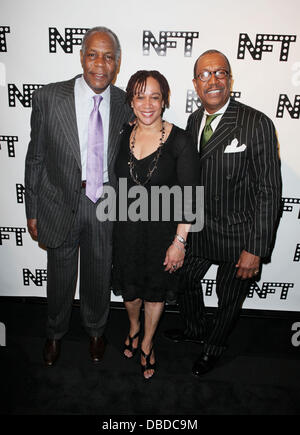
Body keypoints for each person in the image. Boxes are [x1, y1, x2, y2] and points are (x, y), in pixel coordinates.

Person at [164, 49, 282, 376]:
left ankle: (213, 347)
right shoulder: (191, 120)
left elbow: (269, 191)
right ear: (195, 83)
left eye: (220, 73)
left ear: (230, 79)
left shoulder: (256, 123)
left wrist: (255, 249)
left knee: (228, 297)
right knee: (183, 278)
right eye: (205, 74)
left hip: (238, 235)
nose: (212, 80)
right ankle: (194, 329)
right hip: (200, 229)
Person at [25, 26, 132, 367]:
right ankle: (54, 333)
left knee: (99, 271)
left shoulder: (125, 103)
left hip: (104, 203)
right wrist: (32, 209)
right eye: (93, 54)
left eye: (109, 56)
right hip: (58, 202)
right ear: (81, 56)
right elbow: (36, 158)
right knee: (60, 274)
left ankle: (97, 330)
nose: (100, 64)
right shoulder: (48, 98)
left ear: (117, 63)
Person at [112, 70, 200, 380]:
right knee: (130, 291)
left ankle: (147, 342)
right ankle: (133, 327)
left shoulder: (181, 141)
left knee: (154, 294)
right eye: (140, 96)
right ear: (131, 101)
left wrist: (179, 242)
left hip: (162, 235)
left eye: (155, 96)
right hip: (125, 232)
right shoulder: (124, 134)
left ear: (164, 101)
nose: (147, 104)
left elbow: (191, 197)